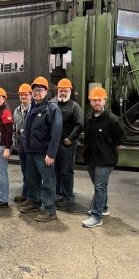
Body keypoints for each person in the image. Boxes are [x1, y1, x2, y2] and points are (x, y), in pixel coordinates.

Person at [82, 86, 126, 228]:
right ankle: (104, 208)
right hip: (90, 159)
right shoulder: (88, 118)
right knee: (99, 186)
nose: (96, 103)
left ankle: (96, 216)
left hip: (105, 161)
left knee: (100, 187)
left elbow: (119, 143)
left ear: (105, 101)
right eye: (94, 100)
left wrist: (105, 151)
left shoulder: (113, 120)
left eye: (99, 100)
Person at [20, 76, 62, 222]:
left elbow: (56, 133)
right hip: (31, 152)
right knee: (32, 180)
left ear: (46, 92)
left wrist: (50, 154)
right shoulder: (33, 106)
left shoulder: (52, 109)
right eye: (34, 90)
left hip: (43, 154)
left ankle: (50, 210)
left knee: (48, 181)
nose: (37, 92)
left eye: (40, 90)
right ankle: (35, 202)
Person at [53, 78, 83, 207]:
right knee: (55, 170)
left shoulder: (74, 107)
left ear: (70, 91)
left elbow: (79, 124)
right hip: (54, 144)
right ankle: (58, 194)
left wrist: (70, 138)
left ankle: (68, 197)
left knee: (66, 171)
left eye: (66, 91)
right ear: (57, 91)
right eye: (61, 90)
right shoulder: (52, 103)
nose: (63, 93)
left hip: (67, 145)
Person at [13, 83, 32, 203]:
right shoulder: (16, 111)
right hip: (21, 146)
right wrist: (14, 141)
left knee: (32, 172)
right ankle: (25, 194)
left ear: (30, 96)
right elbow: (14, 127)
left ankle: (32, 197)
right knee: (25, 171)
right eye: (21, 94)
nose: (23, 96)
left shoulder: (34, 110)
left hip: (32, 147)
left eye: (26, 94)